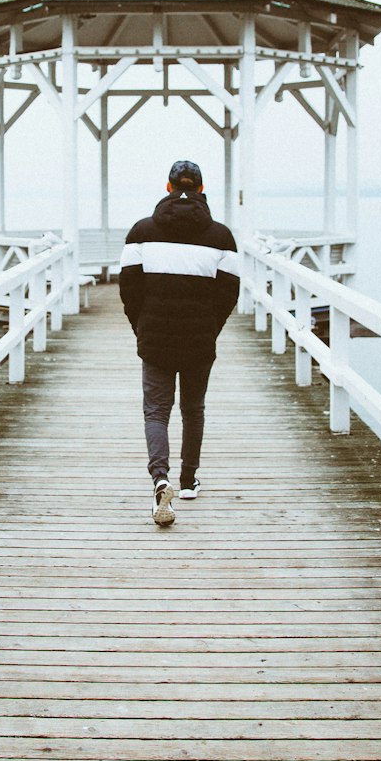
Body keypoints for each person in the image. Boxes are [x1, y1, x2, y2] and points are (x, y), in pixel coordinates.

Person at [119, 159, 240, 526]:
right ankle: (188, 481)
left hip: (155, 336)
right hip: (199, 338)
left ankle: (160, 478)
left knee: (156, 412)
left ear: (168, 187)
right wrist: (210, 327)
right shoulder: (221, 237)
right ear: (201, 190)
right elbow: (228, 294)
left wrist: (141, 328)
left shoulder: (141, 232)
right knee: (193, 409)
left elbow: (128, 291)